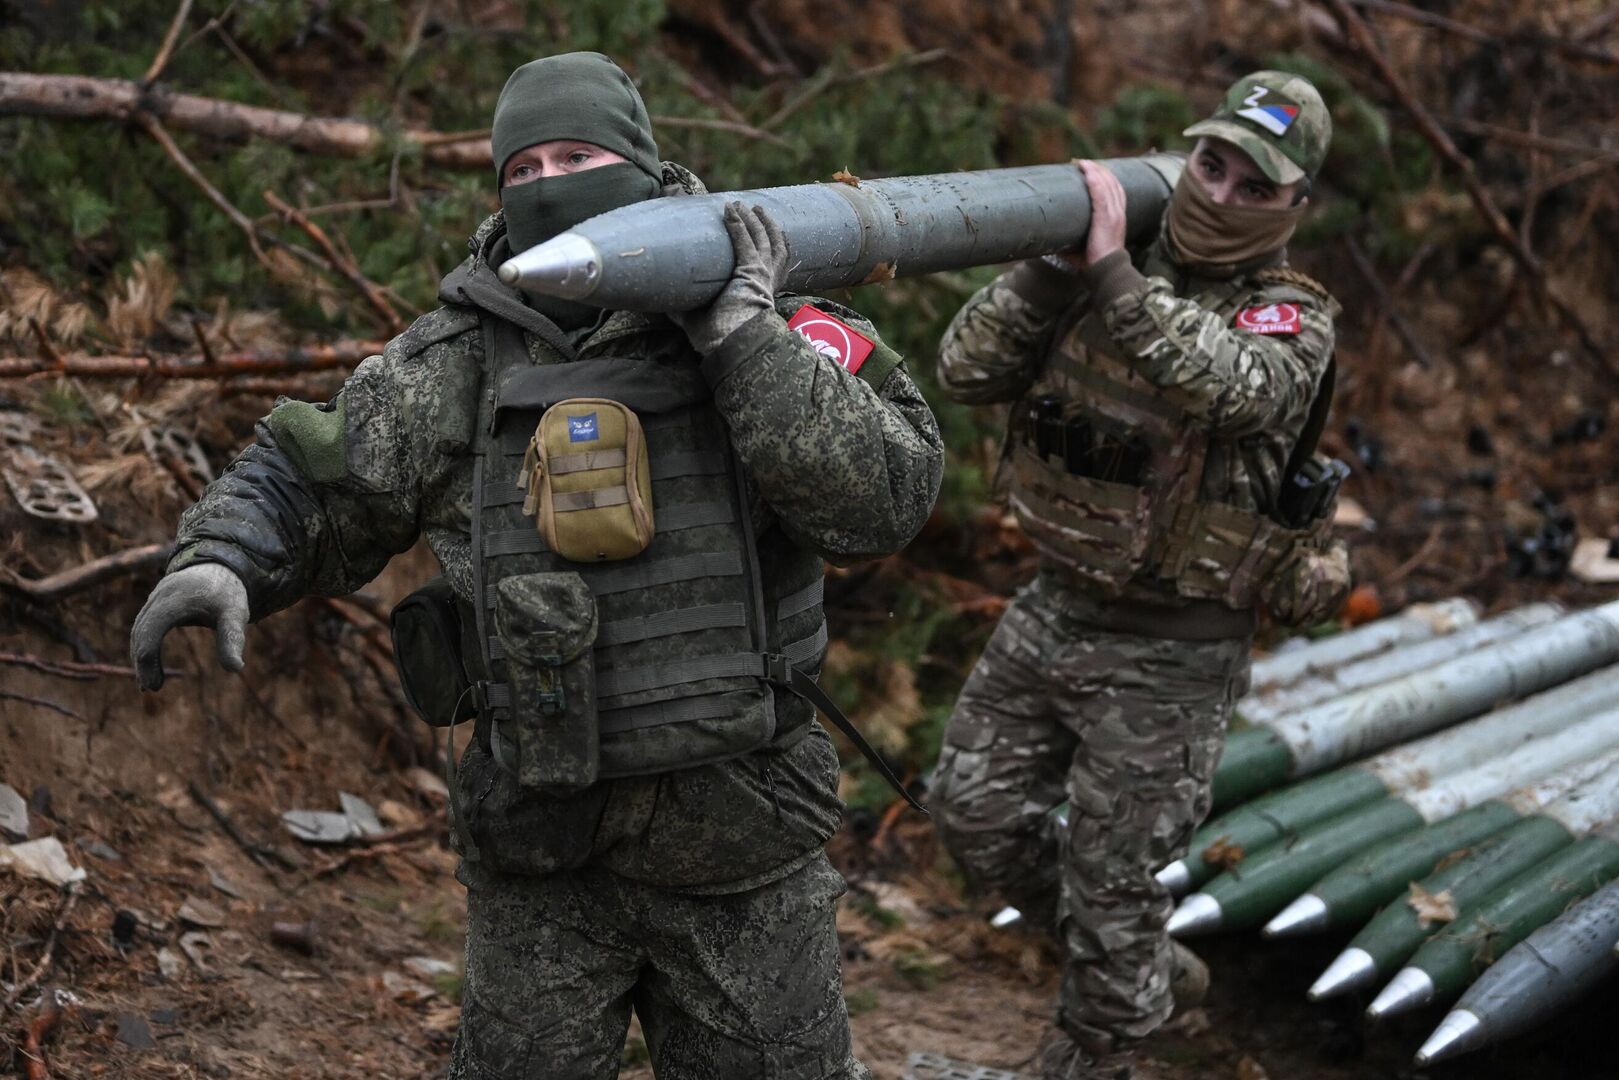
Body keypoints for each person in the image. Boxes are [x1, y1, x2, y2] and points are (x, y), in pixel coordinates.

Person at [129, 51, 944, 1080]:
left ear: (643, 168)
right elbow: (314, 475)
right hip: (543, 858)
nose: (551, 185)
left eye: (579, 154)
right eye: (523, 169)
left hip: (743, 849)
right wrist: (223, 559)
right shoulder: (458, 359)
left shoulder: (776, 308)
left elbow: (887, 495)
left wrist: (745, 338)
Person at [927, 70, 1351, 1079]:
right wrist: (1047, 269)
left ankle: (1100, 1047)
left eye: (1257, 185)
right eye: (1211, 166)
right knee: (971, 810)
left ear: (1296, 205)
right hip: (1057, 603)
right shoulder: (1097, 270)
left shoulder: (1292, 317)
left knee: (1114, 871)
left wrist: (1114, 269)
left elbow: (1227, 388)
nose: (1221, 194)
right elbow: (965, 370)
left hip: (1175, 647)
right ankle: (1139, 967)